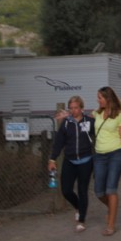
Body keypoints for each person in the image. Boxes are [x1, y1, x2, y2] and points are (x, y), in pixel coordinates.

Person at [93, 86, 121, 236]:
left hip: (116, 155)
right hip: (99, 155)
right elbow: (81, 118)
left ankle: (111, 224)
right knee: (99, 192)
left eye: (100, 97)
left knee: (110, 189)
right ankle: (111, 208)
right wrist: (68, 116)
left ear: (108, 98)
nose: (97, 100)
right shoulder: (96, 113)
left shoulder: (120, 115)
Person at [48, 95, 95, 233]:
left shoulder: (89, 121)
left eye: (76, 108)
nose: (74, 110)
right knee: (66, 190)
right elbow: (59, 143)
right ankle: (78, 207)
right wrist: (52, 159)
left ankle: (81, 220)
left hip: (86, 161)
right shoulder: (67, 123)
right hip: (70, 161)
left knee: (82, 190)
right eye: (71, 108)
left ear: (82, 108)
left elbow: (98, 133)